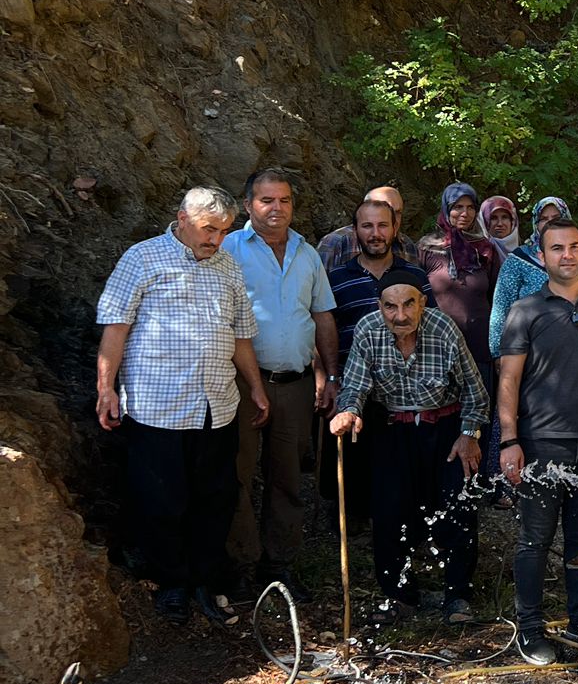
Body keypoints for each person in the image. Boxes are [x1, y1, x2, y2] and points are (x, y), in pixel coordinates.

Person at [95, 186, 269, 627]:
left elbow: (240, 336)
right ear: (182, 219)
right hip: (158, 408)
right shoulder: (141, 258)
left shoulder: (228, 265)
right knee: (162, 501)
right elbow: (116, 327)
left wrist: (256, 387)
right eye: (209, 229)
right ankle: (172, 584)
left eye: (224, 231)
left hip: (217, 406)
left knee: (215, 498)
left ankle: (206, 582)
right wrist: (105, 388)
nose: (216, 239)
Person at [497, 218, 578, 664]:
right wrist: (508, 439)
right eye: (557, 248)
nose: (567, 255)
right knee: (534, 539)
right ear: (542, 256)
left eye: (575, 246)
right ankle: (529, 628)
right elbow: (509, 379)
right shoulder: (525, 311)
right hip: (541, 442)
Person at [331, 268, 487, 624]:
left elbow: (475, 394)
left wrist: (469, 436)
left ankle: (458, 594)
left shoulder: (444, 328)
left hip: (445, 427)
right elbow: (354, 386)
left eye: (407, 305)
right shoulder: (369, 330)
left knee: (456, 507)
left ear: (422, 303)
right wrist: (348, 412)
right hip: (393, 429)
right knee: (389, 512)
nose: (399, 316)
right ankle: (400, 595)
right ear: (379, 306)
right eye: (390, 307)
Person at [222, 167, 339, 602]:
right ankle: (238, 565)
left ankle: (279, 567)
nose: (276, 208)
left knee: (287, 478)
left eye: (284, 200)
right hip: (240, 384)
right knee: (237, 474)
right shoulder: (229, 248)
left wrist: (328, 375)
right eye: (266, 200)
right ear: (249, 204)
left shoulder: (307, 253)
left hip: (295, 384)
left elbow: (322, 314)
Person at [320, 198, 432, 528]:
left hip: (404, 388)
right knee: (352, 462)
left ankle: (397, 521)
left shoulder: (413, 275)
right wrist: (328, 377)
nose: (375, 233)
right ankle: (351, 518)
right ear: (355, 232)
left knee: (398, 464)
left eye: (383, 225)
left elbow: (431, 323)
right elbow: (325, 326)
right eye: (367, 226)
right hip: (352, 384)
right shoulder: (337, 277)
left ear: (395, 229)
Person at [418, 183, 501, 473]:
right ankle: (442, 475)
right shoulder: (428, 248)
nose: (464, 213)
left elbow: (497, 298)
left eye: (470, 207)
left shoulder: (486, 249)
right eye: (457, 207)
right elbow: (418, 297)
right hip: (439, 348)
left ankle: (479, 482)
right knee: (442, 412)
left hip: (479, 346)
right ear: (445, 209)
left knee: (479, 413)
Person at [488, 193, 578, 354]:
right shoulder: (519, 260)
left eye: (556, 216)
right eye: (544, 218)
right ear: (536, 223)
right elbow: (501, 308)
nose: (550, 222)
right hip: (532, 352)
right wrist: (498, 352)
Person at [317, 186, 420, 270]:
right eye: (384, 210)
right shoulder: (335, 243)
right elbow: (318, 290)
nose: (393, 218)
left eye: (397, 213)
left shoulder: (407, 245)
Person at [480, 195, 520, 263]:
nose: (500, 224)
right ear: (484, 222)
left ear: (512, 221)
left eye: (504, 217)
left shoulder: (527, 255)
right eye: (493, 218)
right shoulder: (479, 255)